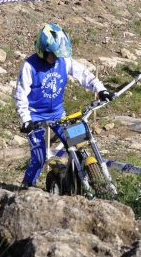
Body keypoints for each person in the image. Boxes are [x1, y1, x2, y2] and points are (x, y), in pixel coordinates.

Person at [14, 23, 113, 188]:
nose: (56, 58)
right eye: (53, 55)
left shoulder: (63, 61)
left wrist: (101, 89)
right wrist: (25, 119)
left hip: (59, 114)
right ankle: (26, 188)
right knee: (39, 156)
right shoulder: (29, 66)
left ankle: (77, 183)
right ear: (43, 50)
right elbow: (20, 95)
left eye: (59, 55)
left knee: (80, 142)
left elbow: (84, 74)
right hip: (35, 116)